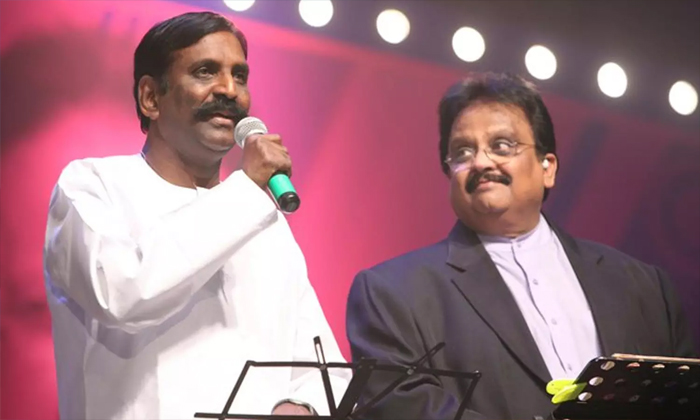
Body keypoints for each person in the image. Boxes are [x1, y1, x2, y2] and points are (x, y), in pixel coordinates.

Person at [43, 12, 349, 420]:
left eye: (240, 75)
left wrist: (305, 406)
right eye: (206, 71)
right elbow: (123, 293)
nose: (230, 90)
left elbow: (324, 369)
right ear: (151, 98)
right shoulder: (93, 185)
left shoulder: (265, 222)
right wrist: (246, 190)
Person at [345, 72, 697, 420]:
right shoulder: (392, 293)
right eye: (462, 152)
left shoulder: (644, 286)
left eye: (502, 145)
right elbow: (405, 407)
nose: (481, 162)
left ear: (548, 168)